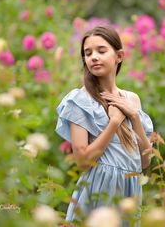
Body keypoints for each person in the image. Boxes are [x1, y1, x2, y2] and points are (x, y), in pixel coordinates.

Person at [55, 25, 154, 225]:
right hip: (98, 189)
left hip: (129, 192)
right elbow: (82, 161)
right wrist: (114, 122)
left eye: (101, 51)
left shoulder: (131, 100)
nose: (93, 57)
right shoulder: (80, 100)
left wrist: (134, 117)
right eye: (87, 53)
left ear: (119, 56)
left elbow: (145, 162)